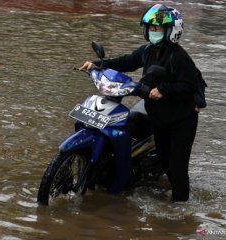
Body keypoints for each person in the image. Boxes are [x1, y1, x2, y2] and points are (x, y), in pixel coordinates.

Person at [79, 4, 202, 202]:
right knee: (164, 160)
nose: (154, 31)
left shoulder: (179, 58)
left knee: (177, 169)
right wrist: (100, 65)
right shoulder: (147, 51)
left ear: (172, 31)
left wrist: (163, 90)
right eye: (151, 28)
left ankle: (180, 214)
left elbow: (190, 85)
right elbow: (127, 61)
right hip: (158, 117)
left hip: (181, 120)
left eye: (159, 28)